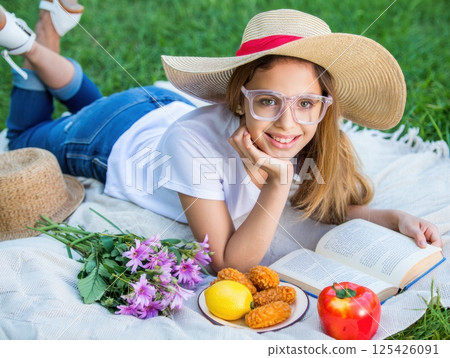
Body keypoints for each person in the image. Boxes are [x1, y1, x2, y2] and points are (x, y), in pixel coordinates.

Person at [0, 2, 442, 272]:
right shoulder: (191, 142)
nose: (289, 124)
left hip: (153, 104)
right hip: (109, 140)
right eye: (268, 101)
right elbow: (227, 262)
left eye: (306, 104)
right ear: (239, 99)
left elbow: (325, 207)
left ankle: (44, 37)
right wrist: (277, 183)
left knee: (88, 104)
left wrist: (393, 217)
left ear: (325, 104)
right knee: (22, 142)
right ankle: (27, 43)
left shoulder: (316, 130)